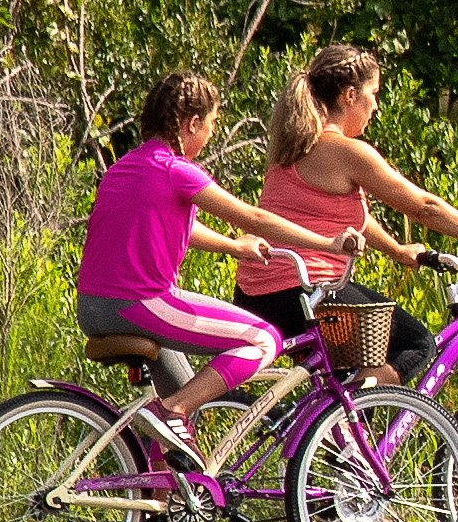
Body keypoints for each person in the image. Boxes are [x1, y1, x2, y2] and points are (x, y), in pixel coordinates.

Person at [239, 45, 458, 380]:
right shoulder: (347, 152)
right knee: (417, 345)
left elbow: (343, 218)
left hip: (257, 293)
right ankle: (338, 422)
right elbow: (424, 207)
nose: (375, 105)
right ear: (349, 96)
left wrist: (398, 251)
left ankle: (330, 426)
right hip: (304, 291)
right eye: (372, 93)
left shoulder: (293, 145)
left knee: (351, 370)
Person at [79, 67, 336, 436]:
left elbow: (176, 226)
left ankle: (164, 486)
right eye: (212, 123)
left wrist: (234, 246)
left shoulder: (126, 167)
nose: (213, 133)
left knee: (183, 415)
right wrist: (326, 243)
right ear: (192, 123)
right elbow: (253, 216)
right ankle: (172, 411)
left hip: (93, 307)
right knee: (263, 338)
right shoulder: (176, 169)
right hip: (142, 303)